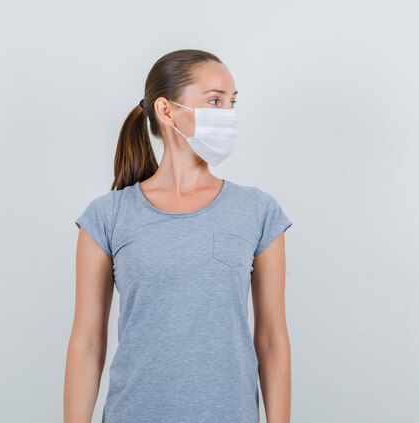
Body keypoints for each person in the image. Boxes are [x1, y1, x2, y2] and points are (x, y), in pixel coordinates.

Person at [64, 49, 293, 423]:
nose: (228, 115)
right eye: (214, 101)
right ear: (167, 111)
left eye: (232, 103)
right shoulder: (107, 216)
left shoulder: (258, 211)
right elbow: (87, 344)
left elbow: (271, 340)